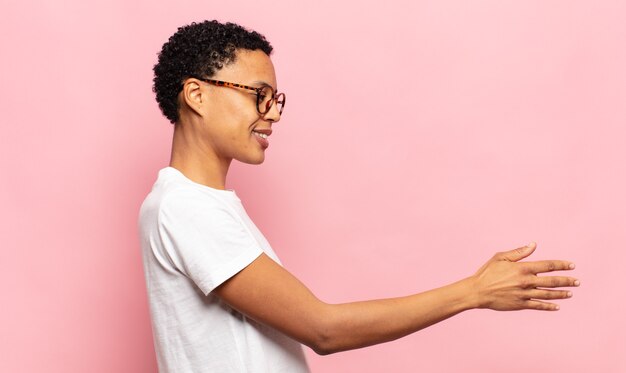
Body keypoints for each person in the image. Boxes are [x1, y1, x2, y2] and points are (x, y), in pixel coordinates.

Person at [138, 20, 579, 373]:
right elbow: (323, 329)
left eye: (276, 99)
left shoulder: (202, 205)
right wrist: (474, 292)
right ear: (196, 94)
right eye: (259, 96)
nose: (272, 113)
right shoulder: (185, 207)